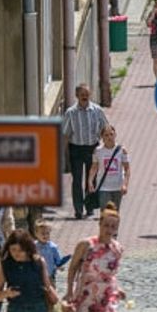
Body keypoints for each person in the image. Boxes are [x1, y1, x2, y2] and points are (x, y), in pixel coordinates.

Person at [62, 83, 109, 220]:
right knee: (77, 180)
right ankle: (78, 209)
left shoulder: (97, 110)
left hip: (92, 148)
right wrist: (63, 154)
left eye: (87, 94)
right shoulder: (70, 113)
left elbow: (105, 127)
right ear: (77, 96)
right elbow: (65, 134)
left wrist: (104, 146)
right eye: (82, 95)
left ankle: (89, 207)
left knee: (91, 179)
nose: (85, 97)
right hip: (75, 149)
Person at [88, 124, 130, 210]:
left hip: (117, 187)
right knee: (105, 212)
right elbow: (94, 167)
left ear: (115, 135)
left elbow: (127, 169)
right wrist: (90, 181)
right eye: (106, 135)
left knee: (114, 214)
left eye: (111, 134)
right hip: (104, 187)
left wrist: (125, 184)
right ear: (102, 137)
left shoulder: (122, 150)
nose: (109, 137)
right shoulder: (98, 151)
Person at [34, 220, 64, 286]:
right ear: (36, 234)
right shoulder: (33, 246)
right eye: (42, 233)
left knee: (51, 289)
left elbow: (57, 258)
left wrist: (60, 265)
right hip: (37, 274)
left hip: (50, 274)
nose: (45, 235)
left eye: (47, 233)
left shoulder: (53, 247)